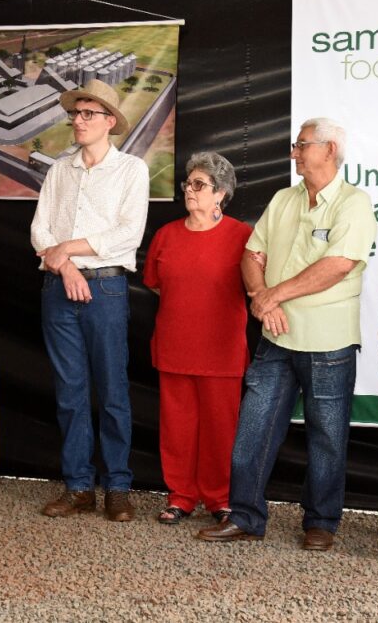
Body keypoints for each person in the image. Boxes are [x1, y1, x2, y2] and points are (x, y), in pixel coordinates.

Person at [197, 117, 376, 549]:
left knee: (327, 437)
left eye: (301, 145)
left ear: (329, 150)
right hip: (275, 338)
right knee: (253, 428)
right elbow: (251, 254)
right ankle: (245, 516)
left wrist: (270, 296)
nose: (294, 152)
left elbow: (337, 266)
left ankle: (321, 523)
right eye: (295, 145)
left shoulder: (354, 203)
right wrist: (261, 297)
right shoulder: (283, 198)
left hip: (328, 341)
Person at [30, 79, 149, 522]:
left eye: (87, 114)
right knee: (70, 392)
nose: (78, 121)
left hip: (106, 289)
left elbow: (127, 234)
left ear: (110, 121)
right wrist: (65, 266)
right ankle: (79, 485)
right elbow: (39, 231)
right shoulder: (60, 171)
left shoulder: (131, 170)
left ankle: (117, 486)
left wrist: (67, 249)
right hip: (59, 287)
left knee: (112, 390)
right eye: (75, 114)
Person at [143, 152, 252, 525]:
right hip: (175, 347)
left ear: (220, 193)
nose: (189, 190)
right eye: (188, 183)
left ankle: (220, 499)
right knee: (177, 428)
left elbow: (255, 285)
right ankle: (181, 497)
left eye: (199, 184)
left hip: (221, 351)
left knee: (221, 429)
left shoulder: (242, 236)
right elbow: (155, 284)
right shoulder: (166, 235)